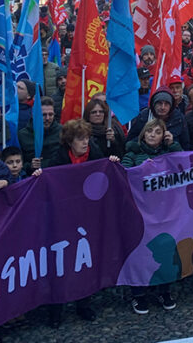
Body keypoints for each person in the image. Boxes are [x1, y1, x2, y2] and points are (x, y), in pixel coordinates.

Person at [42, 119, 117, 326]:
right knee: (61, 264)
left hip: (87, 217)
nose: (85, 143)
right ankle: (56, 309)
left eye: (87, 138)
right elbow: (48, 181)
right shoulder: (58, 157)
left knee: (85, 261)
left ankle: (84, 304)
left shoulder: (94, 153)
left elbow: (104, 175)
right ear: (69, 142)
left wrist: (110, 161)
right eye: (80, 139)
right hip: (63, 219)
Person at [121, 118, 181, 314]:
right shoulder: (133, 153)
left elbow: (184, 164)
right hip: (139, 213)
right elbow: (124, 172)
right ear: (143, 134)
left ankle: (164, 290)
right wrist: (141, 170)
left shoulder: (167, 153)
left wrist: (173, 144)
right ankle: (138, 294)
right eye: (150, 131)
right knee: (140, 253)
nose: (153, 135)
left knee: (165, 251)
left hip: (164, 213)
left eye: (157, 132)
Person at [19, 97, 62, 169]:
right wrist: (30, 166)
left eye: (51, 114)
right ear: (33, 115)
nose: (48, 118)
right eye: (43, 115)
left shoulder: (62, 132)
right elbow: (18, 163)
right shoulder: (22, 135)